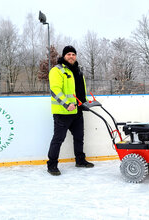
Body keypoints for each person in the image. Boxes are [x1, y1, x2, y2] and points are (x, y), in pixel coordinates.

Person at [47, 45, 94, 176]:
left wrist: (85, 103)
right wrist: (67, 104)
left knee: (79, 138)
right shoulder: (57, 70)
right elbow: (55, 90)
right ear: (63, 56)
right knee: (58, 139)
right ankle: (52, 165)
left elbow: (80, 91)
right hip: (63, 112)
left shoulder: (78, 71)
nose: (71, 56)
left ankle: (80, 160)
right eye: (68, 54)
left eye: (73, 54)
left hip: (77, 112)